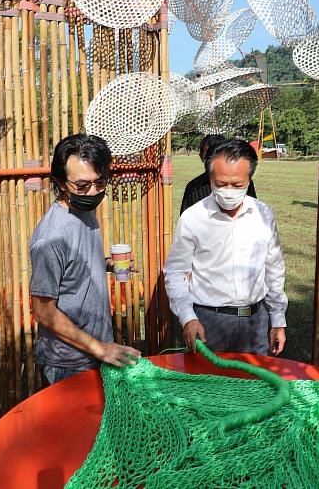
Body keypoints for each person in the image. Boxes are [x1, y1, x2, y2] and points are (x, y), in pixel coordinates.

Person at [30, 134, 141, 385]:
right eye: (81, 186)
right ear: (60, 182)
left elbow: (73, 267)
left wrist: (107, 264)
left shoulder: (83, 210)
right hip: (68, 365)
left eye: (99, 182)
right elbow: (44, 312)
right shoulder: (51, 239)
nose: (92, 192)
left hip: (94, 353)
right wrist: (100, 348)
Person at [164, 139, 287, 356]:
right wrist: (188, 317)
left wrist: (277, 318)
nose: (229, 191)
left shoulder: (263, 215)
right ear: (210, 178)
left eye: (238, 184)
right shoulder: (193, 218)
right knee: (208, 387)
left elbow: (274, 268)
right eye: (220, 184)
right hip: (208, 323)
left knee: (255, 386)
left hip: (255, 323)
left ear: (249, 179)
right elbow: (175, 272)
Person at [180, 134, 257, 214]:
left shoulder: (245, 184)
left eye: (237, 185)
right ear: (201, 157)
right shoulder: (194, 187)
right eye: (208, 155)